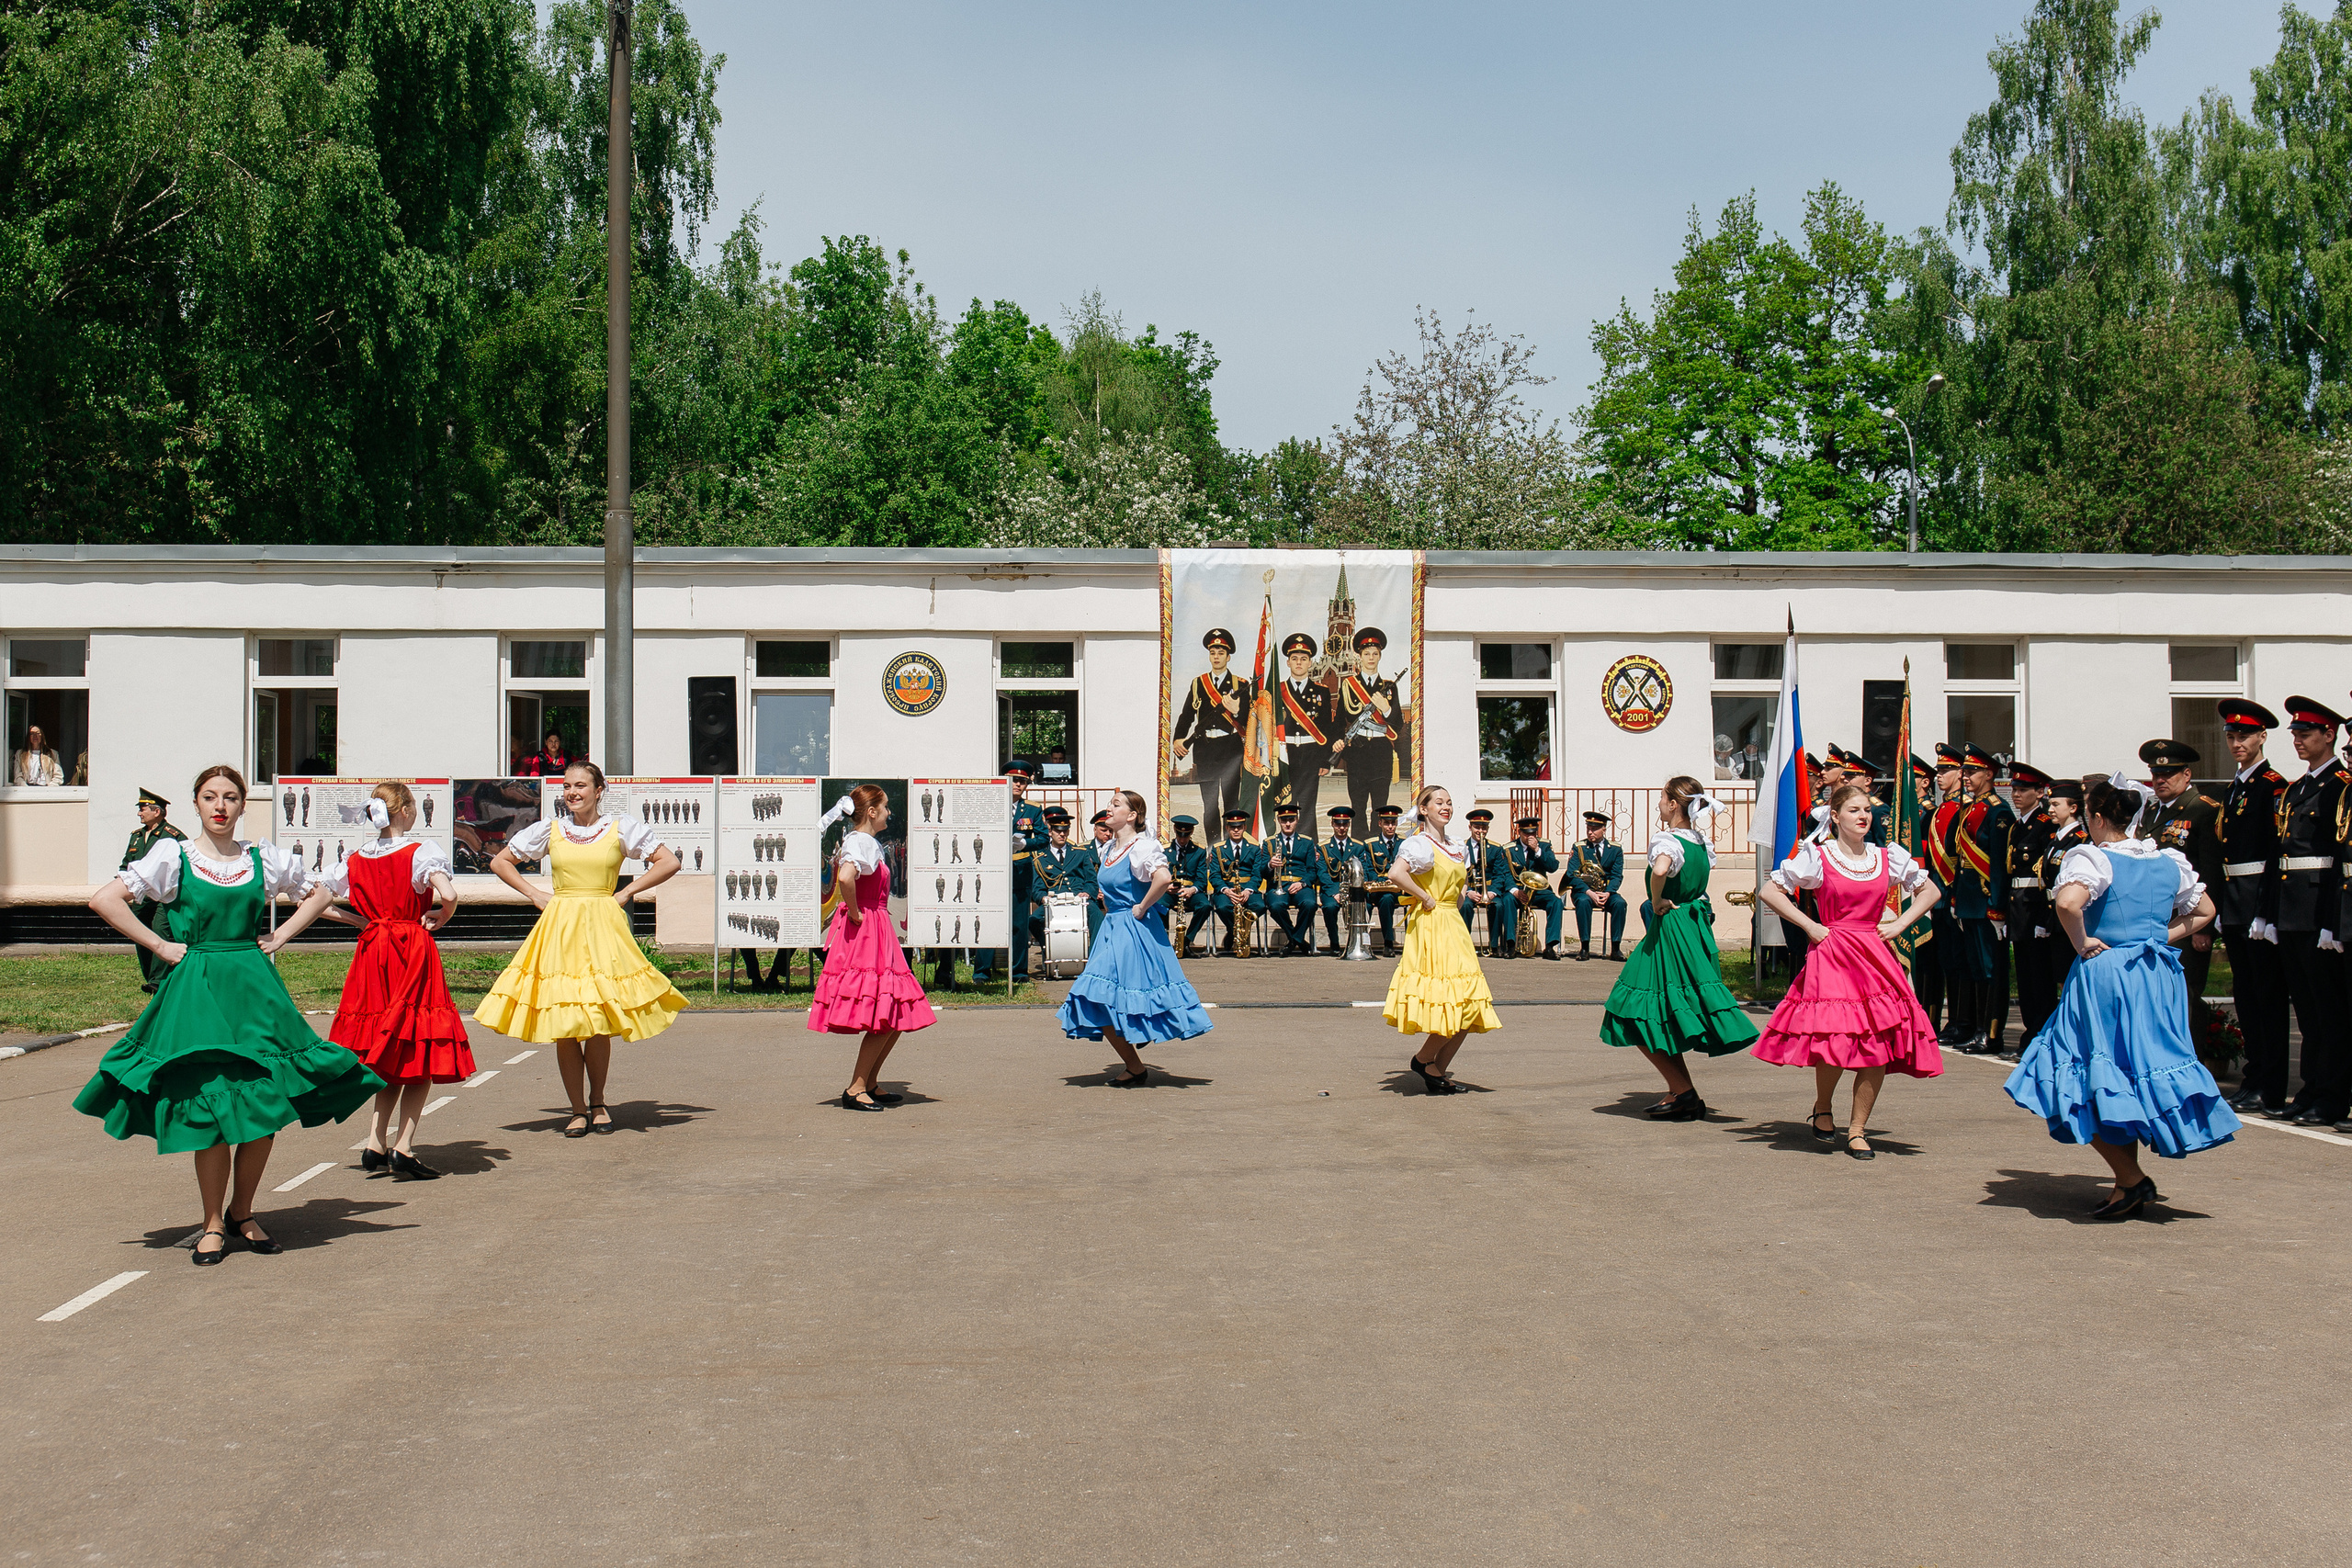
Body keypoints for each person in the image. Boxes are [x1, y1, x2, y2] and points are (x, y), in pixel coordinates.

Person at [77, 764, 380, 1264]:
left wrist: (281, 935)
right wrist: (160, 944)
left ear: (242, 805)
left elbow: (323, 891)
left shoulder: (263, 859)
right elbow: (104, 899)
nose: (220, 806)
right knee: (213, 1106)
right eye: (210, 797)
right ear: (195, 803)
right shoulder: (172, 855)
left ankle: (243, 1211)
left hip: (254, 989)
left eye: (231, 798)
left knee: (264, 1107)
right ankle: (212, 1222)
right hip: (198, 990)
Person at [2004, 778, 2240, 1219]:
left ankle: (2132, 1179)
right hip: (2157, 973)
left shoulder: (2093, 856)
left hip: (2108, 975)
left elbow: (2069, 904)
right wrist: (2161, 935)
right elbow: (2206, 911)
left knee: (2074, 1072)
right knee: (2127, 1070)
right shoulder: (2168, 859)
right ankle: (2124, 1182)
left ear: (2095, 816)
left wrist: (2083, 942)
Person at [476, 761, 687, 1137]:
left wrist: (625, 892)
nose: (572, 792)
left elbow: (668, 861)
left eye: (580, 786)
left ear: (598, 790)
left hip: (603, 926)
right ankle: (576, 1108)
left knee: (598, 1020)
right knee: (567, 1022)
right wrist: (535, 894)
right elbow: (500, 861)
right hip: (561, 928)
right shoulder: (552, 829)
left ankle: (599, 1101)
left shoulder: (621, 827)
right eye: (567, 786)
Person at [1752, 784, 1943, 1160]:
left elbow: (1931, 891)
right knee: (1835, 1041)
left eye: (1867, 810)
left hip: (1874, 956)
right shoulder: (1819, 856)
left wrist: (1901, 923)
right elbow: (1770, 891)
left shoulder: (1886, 857)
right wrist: (1811, 926)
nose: (1863, 816)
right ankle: (1823, 1107)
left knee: (1878, 1044)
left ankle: (1857, 1130)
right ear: (1835, 817)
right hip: (1834, 954)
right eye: (1854, 810)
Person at [301, 782, 470, 1178]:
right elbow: (447, 892)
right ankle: (404, 1146)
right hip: (411, 949)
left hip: (373, 952)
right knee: (417, 1047)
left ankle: (375, 1141)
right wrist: (443, 914)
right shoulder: (419, 851)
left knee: (386, 1049)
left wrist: (360, 920)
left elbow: (313, 896)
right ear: (408, 809)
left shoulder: (357, 857)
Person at [1598, 777, 1759, 1119]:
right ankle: (1680, 1092)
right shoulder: (1699, 841)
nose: (1659, 804)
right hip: (1692, 926)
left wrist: (1656, 898)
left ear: (1673, 804)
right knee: (1664, 1009)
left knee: (1628, 1009)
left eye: (1661, 798)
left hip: (1671, 926)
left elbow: (1660, 870)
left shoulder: (1668, 840)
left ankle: (1683, 1092)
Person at [1057, 789, 1212, 1082]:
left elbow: (1164, 878)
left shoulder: (1142, 846)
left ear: (1131, 815)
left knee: (1102, 994)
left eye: (1115, 805)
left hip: (1133, 927)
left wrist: (1141, 907)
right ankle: (1135, 1066)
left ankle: (1138, 1044)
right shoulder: (1109, 849)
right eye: (1109, 804)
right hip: (1112, 927)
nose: (1109, 808)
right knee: (1098, 997)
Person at [808, 784, 936, 1110]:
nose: (890, 813)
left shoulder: (866, 842)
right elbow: (847, 878)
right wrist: (854, 912)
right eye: (886, 807)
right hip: (868, 932)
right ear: (872, 812)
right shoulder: (860, 841)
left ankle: (871, 1082)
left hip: (875, 930)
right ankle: (857, 1087)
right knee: (885, 1010)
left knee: (894, 1012)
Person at [1379, 784, 1501, 1093]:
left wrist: (1456, 899)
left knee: (1469, 1001)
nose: (1446, 807)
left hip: (1453, 924)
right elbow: (1395, 874)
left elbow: (1459, 888)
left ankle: (1434, 1068)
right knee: (1449, 1000)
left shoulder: (1455, 845)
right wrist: (1424, 896)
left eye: (1449, 802)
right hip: (1432, 924)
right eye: (1439, 802)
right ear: (1424, 809)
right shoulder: (1419, 844)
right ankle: (1425, 1062)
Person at [2267, 697, 2348, 1125]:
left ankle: (2332, 1095)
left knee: (2328, 1011)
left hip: (2320, 908)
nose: (2297, 740)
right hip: (2293, 909)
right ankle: (2311, 1088)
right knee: (2308, 1010)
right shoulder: (2298, 787)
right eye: (2295, 733)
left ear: (2329, 735)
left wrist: (2332, 919)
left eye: (2306, 733)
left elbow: (2338, 856)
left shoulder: (2339, 783)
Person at [2214, 700, 2290, 1114]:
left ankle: (2270, 1084)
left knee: (2267, 997)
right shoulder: (2236, 786)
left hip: (2259, 899)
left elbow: (2275, 851)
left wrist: (2265, 910)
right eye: (2231, 736)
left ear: (2262, 736)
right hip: (2237, 901)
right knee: (2247, 996)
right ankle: (2254, 1076)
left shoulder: (2272, 785)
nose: (2237, 742)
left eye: (2244, 735)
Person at [2137, 739, 2222, 1036]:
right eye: (2156, 774)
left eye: (2168, 774)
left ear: (2186, 775)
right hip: (2154, 916)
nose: (2160, 780)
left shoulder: (2202, 809)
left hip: (2187, 917)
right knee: (2156, 993)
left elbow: (2211, 868)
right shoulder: (2151, 810)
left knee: (2184, 994)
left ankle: (2192, 1063)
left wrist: (2204, 928)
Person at [1940, 744, 2012, 1055]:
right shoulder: (1970, 808)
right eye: (1965, 771)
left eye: (1972, 772)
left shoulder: (1998, 811)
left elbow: (1998, 863)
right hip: (1968, 899)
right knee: (1972, 966)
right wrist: (1956, 896)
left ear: (1989, 774)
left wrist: (1997, 905)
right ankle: (1975, 1027)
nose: (1966, 777)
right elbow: (1958, 858)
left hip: (1985, 902)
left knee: (1990, 968)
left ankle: (1991, 1032)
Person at [974, 761, 1048, 987]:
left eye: (1022, 781)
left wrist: (1025, 843)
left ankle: (1018, 972)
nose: (1017, 784)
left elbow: (1044, 838)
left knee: (1018, 923)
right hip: (992, 869)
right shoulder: (989, 805)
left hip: (1020, 870)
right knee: (988, 921)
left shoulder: (1033, 810)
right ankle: (982, 973)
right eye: (1013, 780)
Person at [2003, 763, 2058, 1059]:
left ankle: (2041, 1035)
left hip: (2035, 907)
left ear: (2040, 792)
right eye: (2014, 788)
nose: (2017, 794)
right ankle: (2029, 1032)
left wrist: (2043, 918)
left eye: (2023, 789)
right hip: (2018, 908)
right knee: (2024, 977)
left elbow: (2046, 875)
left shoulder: (2045, 823)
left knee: (2040, 978)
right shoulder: (2018, 825)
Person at [1172, 627, 1253, 828]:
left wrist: (1236, 711)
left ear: (1228, 657)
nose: (1216, 657)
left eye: (1221, 653)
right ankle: (1213, 849)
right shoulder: (1198, 683)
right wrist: (1178, 738)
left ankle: (1231, 848)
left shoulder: (1240, 684)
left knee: (1231, 804)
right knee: (1209, 805)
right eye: (1213, 653)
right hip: (1205, 749)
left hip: (1231, 749)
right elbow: (1186, 715)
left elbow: (1250, 721)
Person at [120, 786, 187, 993]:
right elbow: (126, 864)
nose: (139, 812)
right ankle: (150, 975)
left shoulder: (173, 836)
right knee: (139, 931)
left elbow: (184, 866)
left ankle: (157, 982)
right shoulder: (137, 836)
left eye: (143, 808)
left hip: (164, 895)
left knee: (160, 930)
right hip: (142, 895)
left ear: (156, 811)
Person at [1338, 626, 1405, 825]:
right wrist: (1336, 742)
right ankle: (1358, 851)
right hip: (1357, 752)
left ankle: (1378, 852)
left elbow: (1398, 724)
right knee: (1357, 807)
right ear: (1359, 656)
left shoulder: (1389, 686)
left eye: (1375, 654)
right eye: (1366, 653)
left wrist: (1386, 709)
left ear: (1380, 656)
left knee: (1380, 806)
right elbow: (1340, 719)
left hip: (1381, 751)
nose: (1371, 658)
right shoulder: (1349, 685)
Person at [1272, 632, 1338, 826]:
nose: (1299, 663)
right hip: (1285, 755)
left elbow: (1327, 728)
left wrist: (1326, 760)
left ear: (1310, 662)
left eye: (1303, 659)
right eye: (1294, 659)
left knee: (1308, 808)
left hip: (1311, 756)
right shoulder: (1277, 690)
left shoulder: (1322, 691)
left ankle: (1310, 852)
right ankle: (1286, 851)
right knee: (1287, 807)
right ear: (1288, 663)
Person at [2038, 780, 2088, 1026]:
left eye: (2056, 804)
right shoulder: (2055, 839)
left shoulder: (2080, 840)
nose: (2050, 809)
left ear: (2074, 808)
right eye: (2049, 804)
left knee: (2070, 978)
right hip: (2053, 916)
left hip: (2068, 918)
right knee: (2057, 978)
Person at [1262, 803, 1327, 954]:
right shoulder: (1269, 842)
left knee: (1310, 904)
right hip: (1279, 886)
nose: (1288, 823)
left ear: (1297, 820)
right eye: (1284, 820)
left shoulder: (1307, 842)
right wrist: (1270, 865)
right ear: (1279, 820)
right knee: (1276, 906)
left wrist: (1302, 883)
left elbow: (1312, 871)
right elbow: (1262, 872)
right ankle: (1299, 940)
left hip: (1301, 885)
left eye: (1291, 819)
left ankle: (1293, 940)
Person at [1034, 807, 1101, 944]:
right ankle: (1048, 948)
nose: (1062, 834)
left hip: (1079, 898)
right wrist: (1042, 897)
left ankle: (1094, 952)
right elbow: (1037, 887)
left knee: (1097, 916)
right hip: (1054, 900)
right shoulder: (1039, 858)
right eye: (1058, 831)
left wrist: (1087, 893)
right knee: (1033, 920)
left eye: (1065, 831)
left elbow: (1092, 880)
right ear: (1050, 831)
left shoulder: (1081, 853)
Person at [1567, 810, 1627, 962]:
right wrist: (1589, 892)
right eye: (1588, 828)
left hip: (1605, 891)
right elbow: (1572, 875)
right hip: (1584, 891)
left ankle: (1616, 948)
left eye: (1594, 829)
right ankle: (1585, 947)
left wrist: (1608, 892)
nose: (1590, 832)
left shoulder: (1615, 849)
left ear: (1604, 829)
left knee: (1620, 904)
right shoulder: (1579, 848)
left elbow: (1616, 875)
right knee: (1583, 902)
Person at [1206, 810, 1268, 955]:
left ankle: (1238, 933)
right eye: (1232, 827)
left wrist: (1248, 890)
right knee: (1222, 906)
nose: (1236, 830)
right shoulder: (1218, 849)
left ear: (1244, 828)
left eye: (1239, 827)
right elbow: (1214, 875)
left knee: (1259, 906)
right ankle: (1235, 932)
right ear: (1227, 828)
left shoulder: (1254, 848)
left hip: (1247, 888)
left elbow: (1257, 874)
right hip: (1227, 889)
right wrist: (1226, 891)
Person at [1457, 808, 1514, 958]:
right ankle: (1464, 944)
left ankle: (1494, 945)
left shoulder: (1495, 848)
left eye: (1484, 827)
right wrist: (1468, 890)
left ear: (1488, 828)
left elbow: (1500, 874)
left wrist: (1492, 892)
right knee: (1466, 905)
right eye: (1477, 827)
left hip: (1489, 890)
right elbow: (1457, 873)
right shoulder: (1461, 847)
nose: (1480, 831)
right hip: (1469, 890)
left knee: (1498, 905)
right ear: (1470, 827)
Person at [1508, 815, 1566, 960]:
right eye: (1527, 833)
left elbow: (1553, 867)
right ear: (1519, 832)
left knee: (1556, 902)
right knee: (1507, 900)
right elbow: (1504, 873)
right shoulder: (1509, 849)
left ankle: (1550, 946)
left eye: (1533, 833)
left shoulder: (1544, 846)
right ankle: (1510, 945)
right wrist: (1514, 891)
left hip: (1539, 891)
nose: (1530, 836)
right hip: (1519, 890)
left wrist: (1538, 851)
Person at [1317, 806, 1372, 952]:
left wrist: (1350, 892)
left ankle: (1358, 943)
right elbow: (1322, 873)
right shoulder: (1323, 847)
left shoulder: (1359, 847)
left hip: (1354, 889)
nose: (1341, 827)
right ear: (1332, 824)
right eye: (1338, 824)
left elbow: (1363, 871)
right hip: (1331, 889)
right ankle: (1334, 943)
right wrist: (1336, 893)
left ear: (1349, 824)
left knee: (1366, 906)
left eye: (1345, 824)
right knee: (1329, 907)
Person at [1166, 814, 1212, 954]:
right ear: (1175, 830)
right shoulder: (1164, 850)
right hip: (1169, 891)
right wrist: (1165, 886)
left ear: (1191, 833)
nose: (1182, 838)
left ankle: (1186, 941)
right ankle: (1164, 944)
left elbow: (1202, 879)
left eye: (1185, 835)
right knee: (1158, 905)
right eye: (1179, 834)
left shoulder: (1199, 851)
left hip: (1190, 891)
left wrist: (1192, 890)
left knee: (1205, 906)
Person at [1365, 804, 1406, 955]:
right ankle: (1385, 943)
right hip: (1377, 888)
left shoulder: (1404, 843)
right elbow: (1368, 868)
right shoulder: (1371, 845)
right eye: (1387, 823)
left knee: (1389, 898)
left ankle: (1392, 943)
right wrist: (1381, 882)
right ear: (1380, 823)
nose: (1390, 827)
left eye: (1393, 823)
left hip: (1399, 887)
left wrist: (1396, 881)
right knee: (1384, 898)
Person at [13, 722, 63, 786]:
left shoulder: (52, 754)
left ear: (42, 736)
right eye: (32, 734)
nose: (35, 736)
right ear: (28, 736)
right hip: (27, 789)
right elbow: (18, 776)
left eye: (38, 733)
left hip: (46, 789)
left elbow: (58, 775)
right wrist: (25, 789)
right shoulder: (20, 754)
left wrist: (50, 788)